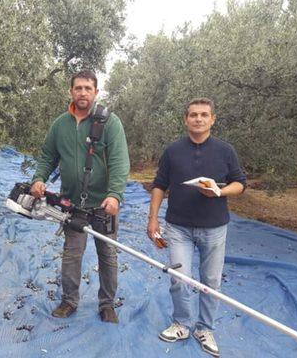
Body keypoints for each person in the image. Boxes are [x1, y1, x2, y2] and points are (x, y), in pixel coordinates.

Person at [146, 98, 246, 357]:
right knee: (179, 278)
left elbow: (240, 183)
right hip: (178, 227)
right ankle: (181, 324)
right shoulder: (173, 151)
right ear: (185, 119)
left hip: (214, 228)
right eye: (193, 115)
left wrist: (220, 192)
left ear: (213, 119)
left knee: (210, 281)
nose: (198, 119)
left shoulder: (226, 151)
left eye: (204, 115)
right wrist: (152, 219)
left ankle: (205, 328)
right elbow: (159, 184)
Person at [30, 70, 130, 323]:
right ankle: (69, 301)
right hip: (72, 205)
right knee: (71, 255)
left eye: (88, 88)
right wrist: (39, 178)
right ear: (71, 91)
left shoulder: (110, 123)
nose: (83, 92)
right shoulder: (60, 125)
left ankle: (107, 304)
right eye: (78, 88)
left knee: (107, 255)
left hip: (103, 206)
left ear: (96, 92)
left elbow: (120, 162)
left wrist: (115, 195)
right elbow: (47, 157)